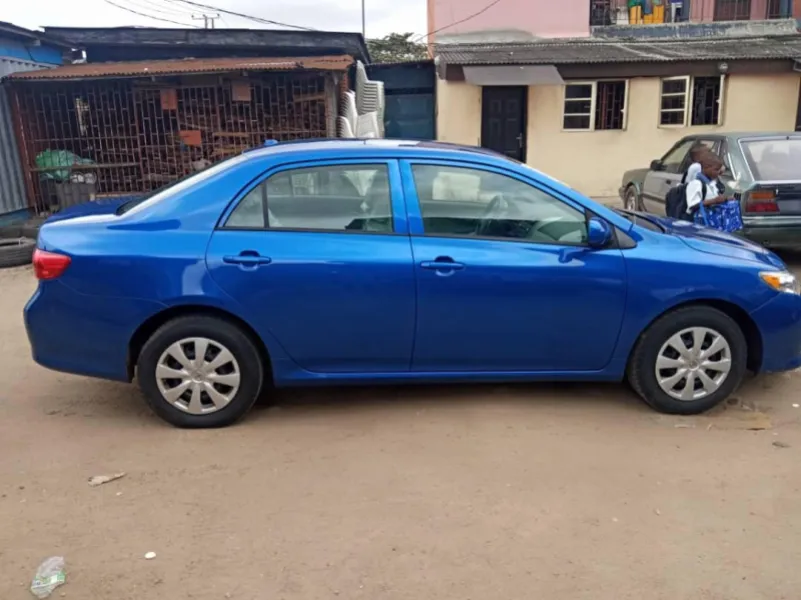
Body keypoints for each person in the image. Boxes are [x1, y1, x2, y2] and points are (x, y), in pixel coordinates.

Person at [687, 153, 743, 233]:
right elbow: (692, 205)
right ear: (705, 168)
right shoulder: (696, 183)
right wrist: (714, 201)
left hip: (713, 224)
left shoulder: (711, 183)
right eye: (716, 170)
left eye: (719, 170)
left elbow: (715, 198)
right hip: (701, 226)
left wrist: (726, 199)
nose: (718, 173)